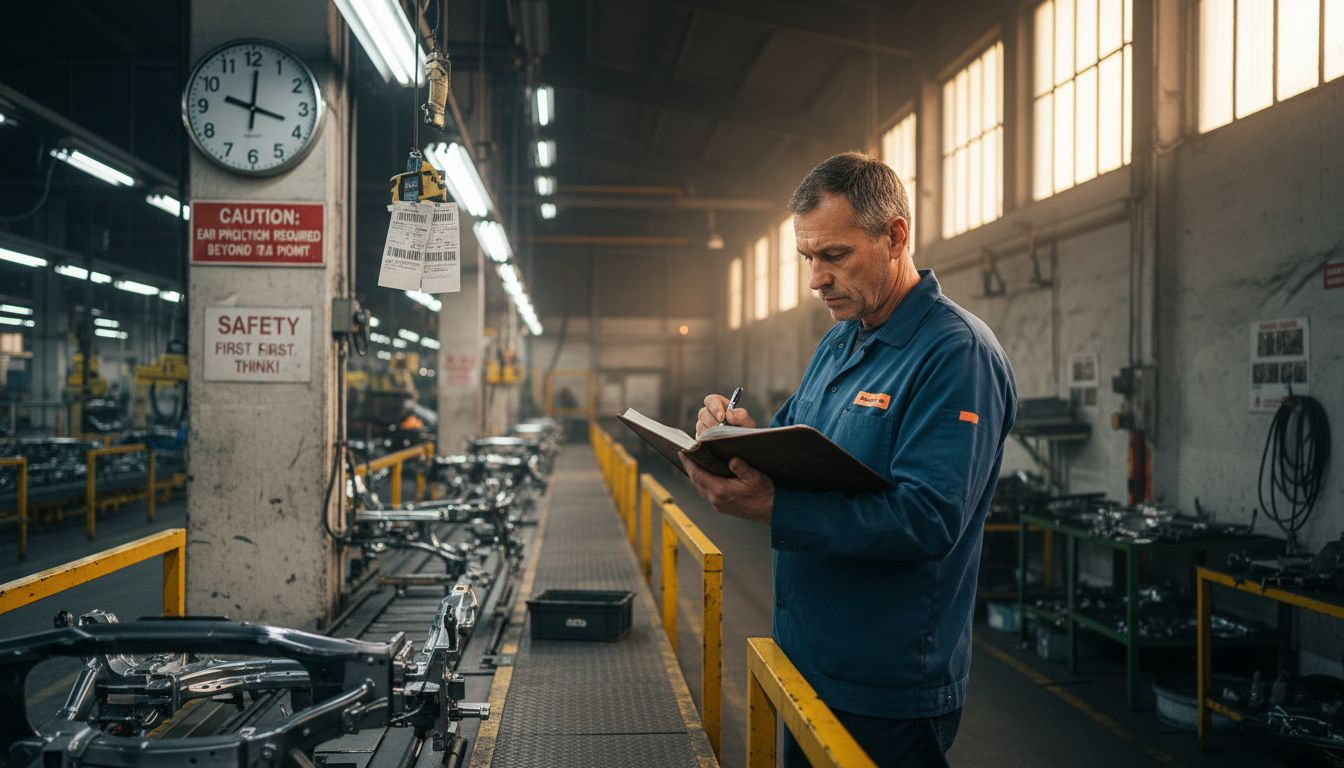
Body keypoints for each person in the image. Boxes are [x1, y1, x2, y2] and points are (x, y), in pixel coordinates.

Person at [680, 152, 1016, 767]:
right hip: (806, 659)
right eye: (808, 258)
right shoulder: (840, 342)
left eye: (834, 255)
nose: (816, 279)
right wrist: (736, 440)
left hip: (884, 683)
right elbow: (792, 443)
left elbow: (928, 520)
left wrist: (777, 509)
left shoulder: (955, 355)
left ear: (895, 237)